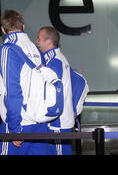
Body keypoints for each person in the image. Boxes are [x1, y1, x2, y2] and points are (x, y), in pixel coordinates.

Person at [0, 10, 55, 155]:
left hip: (20, 123)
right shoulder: (36, 49)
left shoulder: (7, 50)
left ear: (3, 30)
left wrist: (14, 129)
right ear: (23, 26)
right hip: (40, 120)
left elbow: (12, 91)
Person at [35, 26, 88, 155]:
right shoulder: (58, 58)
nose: (36, 42)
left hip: (58, 121)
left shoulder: (54, 61)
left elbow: (49, 91)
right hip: (61, 119)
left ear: (48, 41)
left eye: (39, 39)